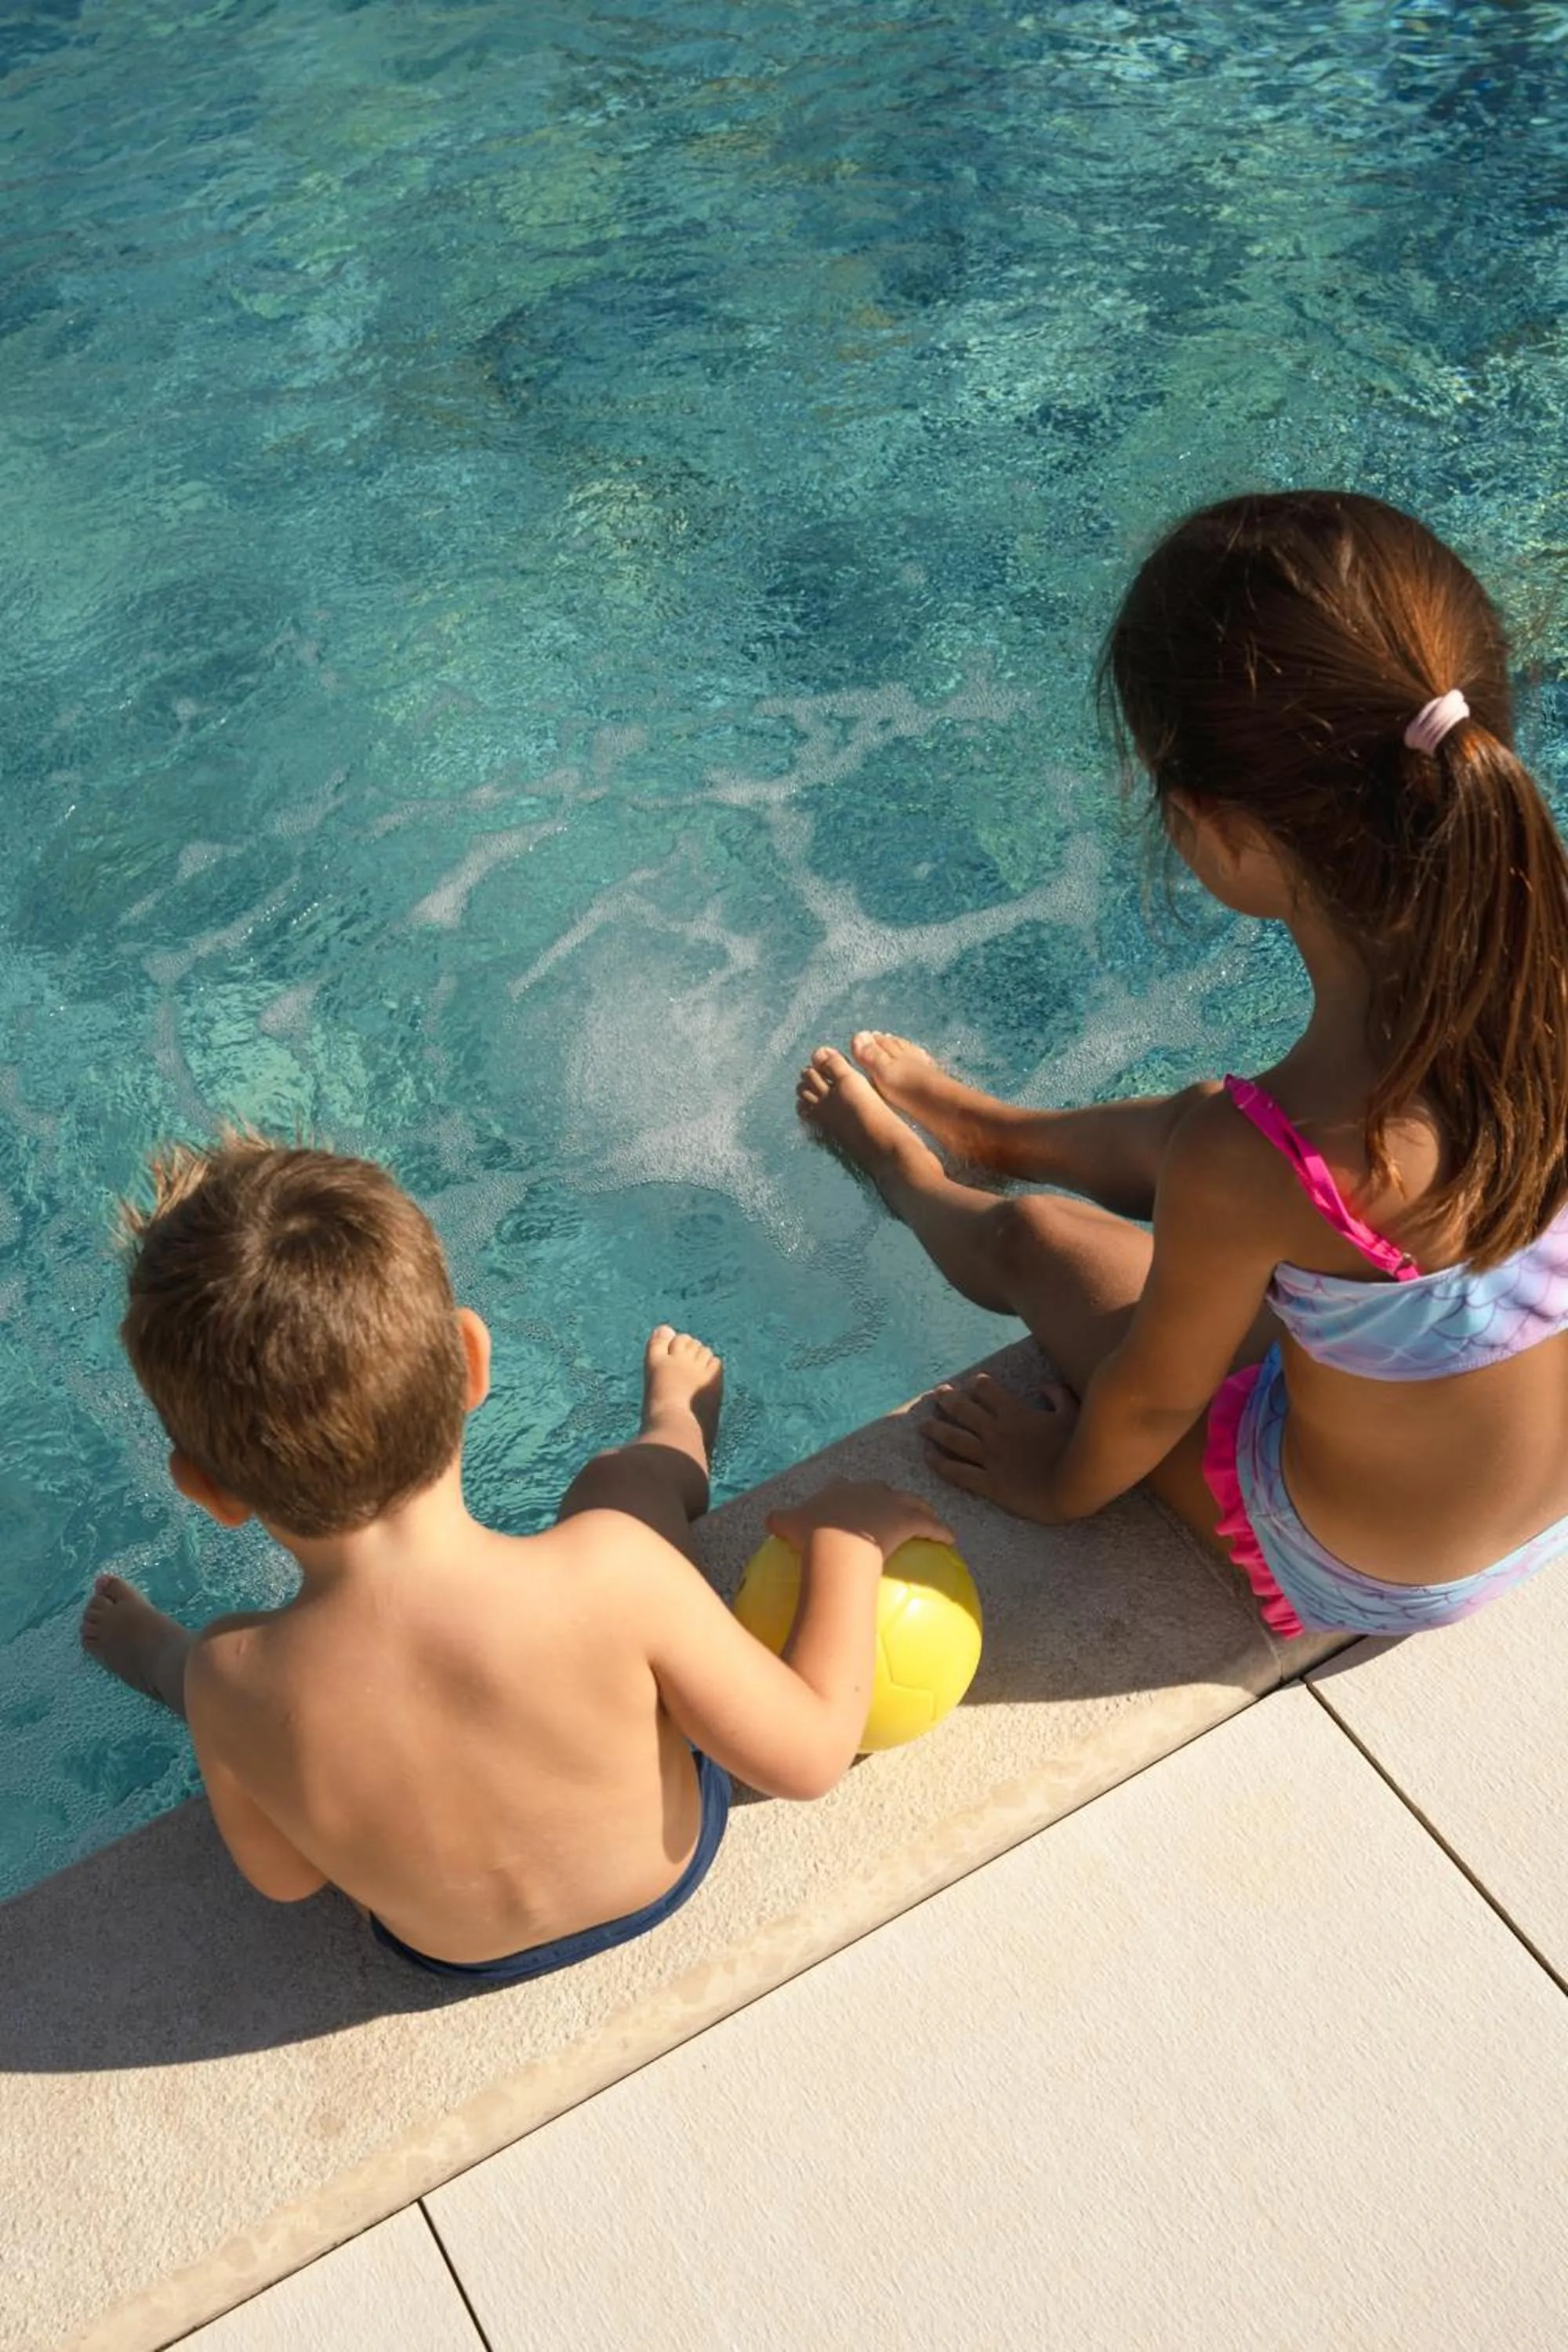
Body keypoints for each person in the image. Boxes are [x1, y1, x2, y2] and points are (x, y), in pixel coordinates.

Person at [798, 488, 1568, 1639]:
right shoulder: (1529, 997)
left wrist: (1051, 1484)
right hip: (1529, 1510)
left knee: (1044, 1236)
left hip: (1360, 1567)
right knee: (1229, 1130)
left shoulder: (1260, 1156)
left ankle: (918, 1176)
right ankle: (996, 1128)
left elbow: (1153, 1397)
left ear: (1228, 830)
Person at [82, 1136, 949, 1980]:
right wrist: (845, 1542)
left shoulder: (232, 1680)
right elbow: (807, 1759)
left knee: (200, 1670)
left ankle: (154, 1655)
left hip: (445, 1955)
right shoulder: (612, 1572)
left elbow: (288, 1879)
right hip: (662, 1876)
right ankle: (673, 1424)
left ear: (207, 1489)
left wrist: (229, 1702)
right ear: (471, 1362)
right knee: (621, 1485)